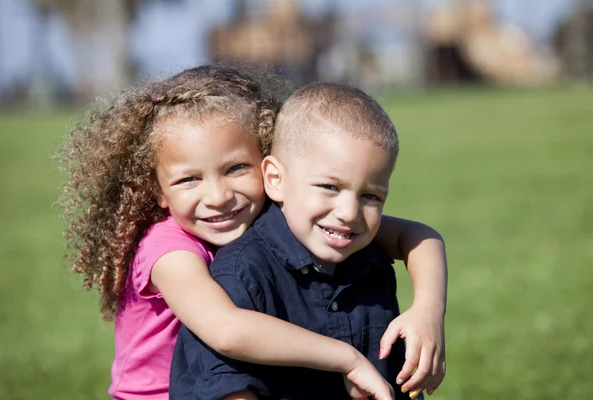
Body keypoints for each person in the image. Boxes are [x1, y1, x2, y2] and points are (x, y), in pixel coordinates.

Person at [58, 66, 446, 400]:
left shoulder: (288, 214)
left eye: (236, 169)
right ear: (158, 190)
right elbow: (227, 330)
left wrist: (427, 310)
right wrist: (345, 357)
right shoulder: (167, 250)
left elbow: (416, 235)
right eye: (189, 179)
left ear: (268, 171)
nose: (218, 196)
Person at [170, 82, 447, 400]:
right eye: (330, 187)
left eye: (371, 195)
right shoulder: (242, 275)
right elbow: (229, 382)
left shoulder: (369, 258)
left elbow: (423, 237)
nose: (349, 212)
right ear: (275, 180)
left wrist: (428, 310)